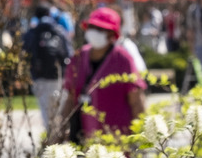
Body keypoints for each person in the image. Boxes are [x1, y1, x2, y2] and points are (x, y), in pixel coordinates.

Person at [50, 7, 147, 143]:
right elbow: (70, 98)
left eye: (101, 29)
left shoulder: (123, 59)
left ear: (111, 34)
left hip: (117, 138)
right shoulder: (78, 58)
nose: (95, 32)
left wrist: (141, 135)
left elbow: (136, 99)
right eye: (92, 27)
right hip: (85, 137)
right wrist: (59, 130)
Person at [23, 2, 73, 131]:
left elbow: (25, 55)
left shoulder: (31, 33)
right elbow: (69, 54)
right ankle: (62, 143)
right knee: (61, 114)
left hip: (40, 78)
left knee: (47, 115)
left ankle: (51, 142)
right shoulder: (59, 31)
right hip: (59, 77)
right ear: (49, 14)